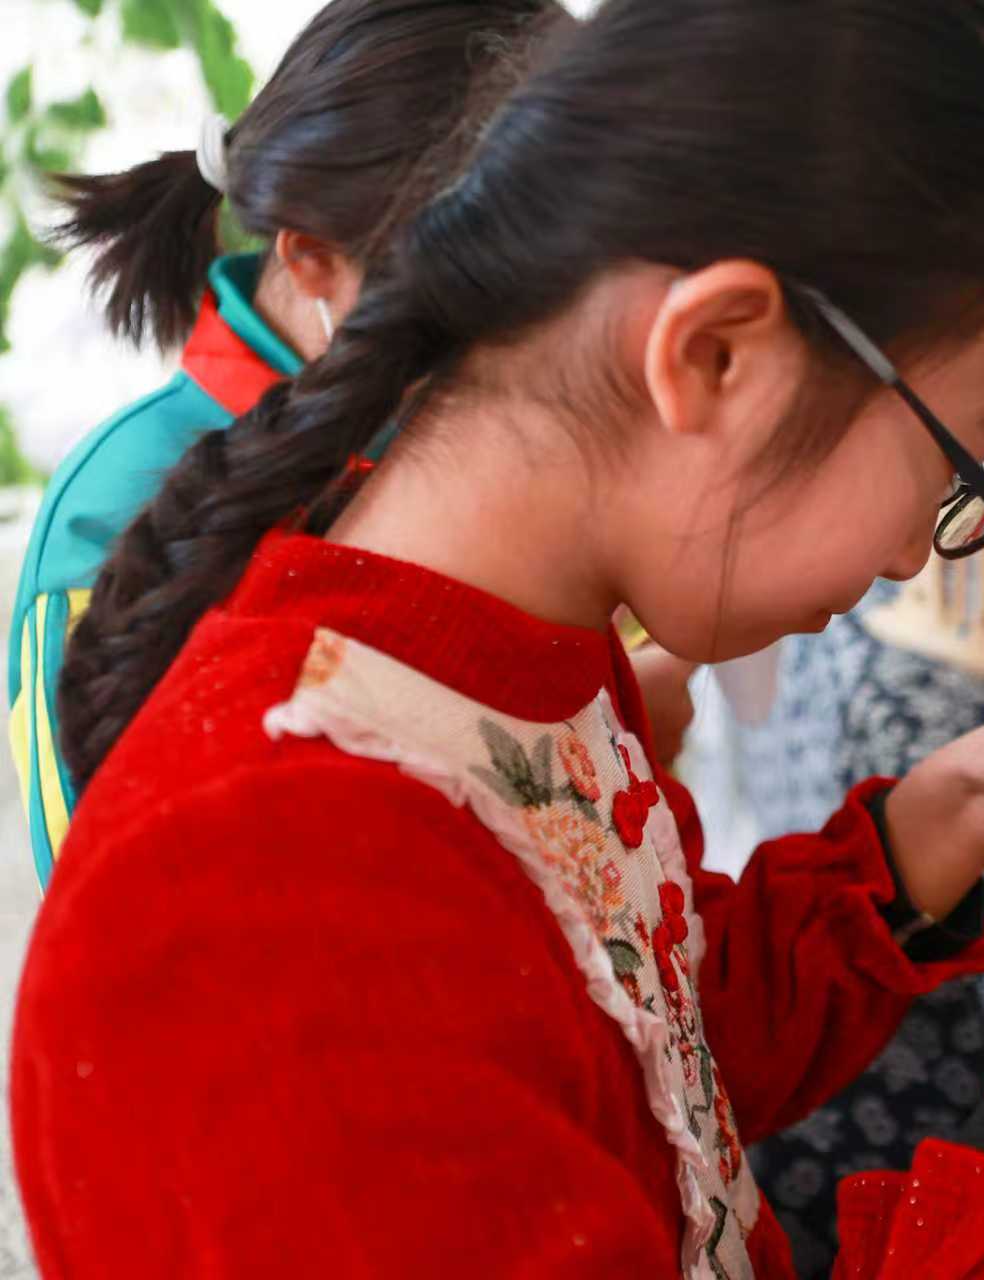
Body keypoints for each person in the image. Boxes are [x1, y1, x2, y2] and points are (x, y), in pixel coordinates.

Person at [12, 2, 984, 1276]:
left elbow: (652, 1073)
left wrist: (945, 814)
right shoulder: (268, 904)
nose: (907, 556)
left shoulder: (512, 645)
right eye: (954, 463)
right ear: (715, 354)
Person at [4, 0, 604, 892]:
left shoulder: (501, 430)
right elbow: (102, 896)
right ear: (313, 258)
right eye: (489, 280)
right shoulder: (114, 506)